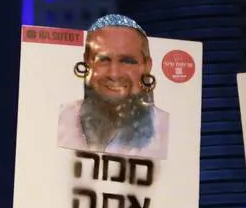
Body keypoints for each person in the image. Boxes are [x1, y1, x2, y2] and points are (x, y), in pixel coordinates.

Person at [57, 13, 170, 159]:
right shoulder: (60, 119)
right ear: (86, 61)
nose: (114, 74)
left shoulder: (168, 129)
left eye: (127, 61)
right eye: (103, 59)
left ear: (147, 65)